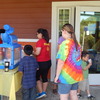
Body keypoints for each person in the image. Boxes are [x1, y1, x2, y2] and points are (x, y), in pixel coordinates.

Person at [54, 23, 83, 100]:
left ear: (64, 31)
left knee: (64, 97)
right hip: (76, 75)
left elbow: (60, 62)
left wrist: (57, 76)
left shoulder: (65, 44)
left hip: (65, 76)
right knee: (74, 94)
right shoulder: (78, 44)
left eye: (62, 31)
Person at [33, 28, 51, 99]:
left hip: (41, 63)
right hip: (48, 62)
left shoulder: (40, 41)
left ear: (41, 34)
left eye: (37, 33)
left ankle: (41, 92)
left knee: (37, 77)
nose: (37, 35)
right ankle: (43, 92)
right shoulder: (47, 41)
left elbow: (37, 53)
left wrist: (32, 52)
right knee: (44, 77)